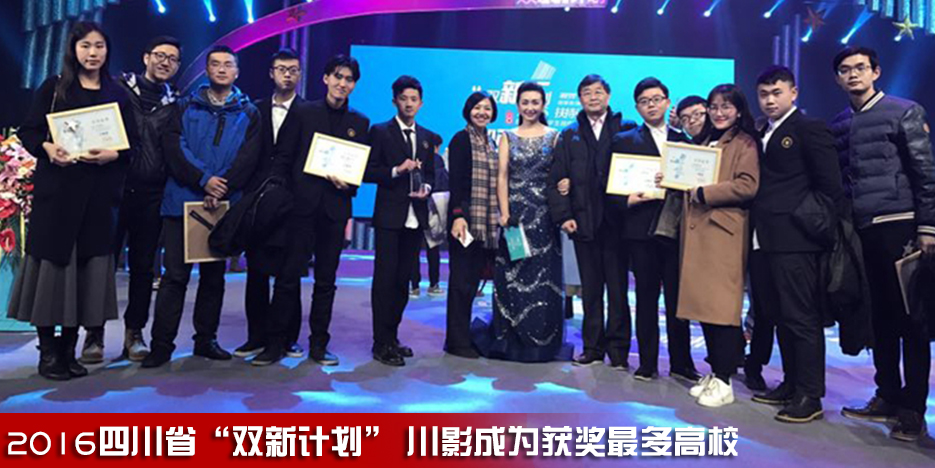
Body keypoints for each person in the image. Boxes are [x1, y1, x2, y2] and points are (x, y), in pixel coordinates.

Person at [7, 21, 137, 380]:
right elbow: (30, 131)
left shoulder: (117, 94)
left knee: (86, 280)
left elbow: (132, 145)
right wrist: (48, 148)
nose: (92, 53)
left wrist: (113, 154)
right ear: (73, 50)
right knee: (51, 278)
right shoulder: (54, 88)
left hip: (98, 202)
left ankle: (69, 349)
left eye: (99, 46)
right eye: (85, 46)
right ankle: (48, 353)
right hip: (58, 198)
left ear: (107, 50)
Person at [830, 47, 935, 441]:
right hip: (861, 231)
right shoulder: (841, 122)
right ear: (838, 79)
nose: (853, 74)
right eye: (845, 70)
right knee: (879, 319)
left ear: (875, 71)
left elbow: (925, 173)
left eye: (860, 67)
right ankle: (887, 394)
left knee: (912, 321)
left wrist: (928, 227)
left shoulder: (904, 111)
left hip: (900, 226)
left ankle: (913, 409)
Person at [141, 45, 260, 368]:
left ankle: (206, 340)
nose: (221, 69)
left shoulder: (250, 112)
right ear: (207, 70)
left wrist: (222, 187)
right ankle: (161, 345)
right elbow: (173, 148)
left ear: (237, 71)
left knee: (213, 278)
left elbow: (249, 157)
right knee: (174, 277)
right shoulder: (184, 106)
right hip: (182, 200)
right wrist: (204, 180)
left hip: (223, 206)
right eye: (215, 64)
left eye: (228, 65)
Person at [747, 66, 844, 423]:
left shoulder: (809, 128)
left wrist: (809, 223)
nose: (770, 100)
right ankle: (790, 383)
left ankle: (810, 394)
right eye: (763, 94)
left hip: (797, 239)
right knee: (779, 316)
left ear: (794, 93)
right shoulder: (762, 131)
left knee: (802, 318)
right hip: (763, 238)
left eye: (777, 92)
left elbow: (830, 187)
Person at [264, 54, 371, 366]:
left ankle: (319, 344)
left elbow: (359, 170)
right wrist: (284, 196)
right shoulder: (303, 112)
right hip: (300, 207)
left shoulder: (360, 122)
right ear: (325, 78)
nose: (342, 83)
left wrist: (348, 184)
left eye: (349, 79)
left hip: (335, 210)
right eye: (337, 76)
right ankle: (276, 343)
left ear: (354, 85)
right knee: (287, 277)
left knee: (326, 282)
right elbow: (284, 157)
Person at [676, 84, 760, 408]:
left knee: (723, 310)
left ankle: (725, 380)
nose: (719, 112)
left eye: (726, 106)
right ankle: (715, 373)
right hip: (700, 232)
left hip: (724, 233)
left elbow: (747, 185)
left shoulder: (744, 142)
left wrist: (704, 193)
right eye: (714, 106)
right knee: (705, 308)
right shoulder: (706, 142)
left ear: (738, 110)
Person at [611, 78, 699, 382]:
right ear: (637, 107)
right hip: (641, 229)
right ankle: (647, 362)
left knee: (677, 299)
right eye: (644, 101)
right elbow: (610, 184)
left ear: (667, 102)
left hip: (676, 230)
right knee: (646, 298)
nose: (651, 105)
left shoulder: (685, 141)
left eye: (657, 99)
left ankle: (681, 362)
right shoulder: (624, 140)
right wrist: (626, 200)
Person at [474, 81, 568, 362]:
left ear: (543, 105)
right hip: (515, 217)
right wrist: (504, 213)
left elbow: (560, 173)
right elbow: (502, 176)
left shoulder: (554, 136)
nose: (530, 107)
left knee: (544, 275)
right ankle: (510, 335)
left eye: (535, 102)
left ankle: (541, 336)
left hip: (545, 215)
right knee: (513, 273)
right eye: (525, 102)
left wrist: (565, 184)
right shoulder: (507, 136)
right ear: (517, 105)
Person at [103, 36, 183, 364]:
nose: (165, 62)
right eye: (160, 55)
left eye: (172, 59)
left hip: (152, 194)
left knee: (143, 267)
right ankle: (93, 331)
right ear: (146, 57)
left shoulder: (176, 103)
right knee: (101, 265)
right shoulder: (118, 89)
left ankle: (134, 333)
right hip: (113, 189)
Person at [547, 74, 633, 368]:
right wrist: (564, 216)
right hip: (583, 223)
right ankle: (593, 347)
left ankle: (618, 350)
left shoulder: (626, 128)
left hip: (618, 224)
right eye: (587, 93)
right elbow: (557, 178)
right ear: (580, 99)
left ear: (608, 96)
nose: (593, 97)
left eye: (598, 92)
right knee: (591, 290)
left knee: (618, 291)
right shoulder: (569, 134)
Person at [237, 48, 306, 365]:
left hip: (293, 201)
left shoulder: (308, 111)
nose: (287, 75)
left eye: (292, 69)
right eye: (281, 69)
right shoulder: (254, 109)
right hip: (257, 200)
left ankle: (287, 337)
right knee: (256, 271)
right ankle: (256, 335)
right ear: (271, 73)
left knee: (289, 273)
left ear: (299, 74)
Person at [365, 75, 437, 367]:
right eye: (404, 98)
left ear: (421, 103)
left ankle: (392, 337)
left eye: (414, 99)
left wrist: (427, 188)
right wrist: (396, 170)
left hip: (414, 218)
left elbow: (431, 174)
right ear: (395, 100)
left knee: (402, 282)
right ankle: (380, 342)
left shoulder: (427, 136)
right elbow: (368, 171)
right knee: (384, 281)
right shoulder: (380, 131)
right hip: (389, 217)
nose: (409, 104)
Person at [445, 91, 499, 359]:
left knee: (473, 282)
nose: (482, 112)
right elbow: (456, 182)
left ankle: (463, 335)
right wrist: (458, 215)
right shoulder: (461, 139)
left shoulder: (491, 142)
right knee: (461, 283)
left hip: (486, 224)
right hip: (465, 222)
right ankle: (456, 341)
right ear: (468, 110)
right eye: (477, 107)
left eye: (487, 108)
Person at [410, 133, 447, 298]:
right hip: (433, 209)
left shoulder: (416, 158)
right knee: (433, 249)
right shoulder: (437, 160)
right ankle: (434, 284)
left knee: (414, 249)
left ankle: (414, 286)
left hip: (416, 207)